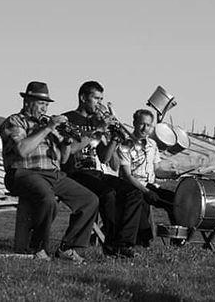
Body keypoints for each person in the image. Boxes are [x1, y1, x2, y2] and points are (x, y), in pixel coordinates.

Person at [0, 81, 99, 264]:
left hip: (53, 173)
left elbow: (62, 158)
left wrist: (66, 142)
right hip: (22, 172)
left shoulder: (48, 124)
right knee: (47, 199)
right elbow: (22, 150)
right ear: (27, 101)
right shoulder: (15, 121)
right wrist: (47, 128)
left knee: (89, 200)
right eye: (41, 103)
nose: (44, 108)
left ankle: (69, 248)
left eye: (46, 104)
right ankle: (38, 248)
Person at [61, 81, 143, 258]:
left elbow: (104, 158)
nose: (99, 104)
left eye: (101, 99)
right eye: (96, 98)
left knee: (133, 192)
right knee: (107, 194)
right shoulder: (67, 119)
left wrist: (114, 137)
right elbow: (71, 149)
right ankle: (112, 246)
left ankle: (124, 243)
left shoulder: (96, 121)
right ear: (83, 98)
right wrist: (97, 130)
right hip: (73, 172)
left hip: (95, 172)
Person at [118, 108, 176, 246]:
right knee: (141, 203)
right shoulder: (125, 145)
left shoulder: (152, 144)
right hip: (134, 187)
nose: (145, 128)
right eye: (142, 124)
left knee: (175, 201)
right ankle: (141, 241)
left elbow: (157, 170)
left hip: (150, 185)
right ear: (134, 123)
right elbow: (126, 175)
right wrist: (147, 192)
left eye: (149, 125)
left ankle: (177, 240)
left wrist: (171, 174)